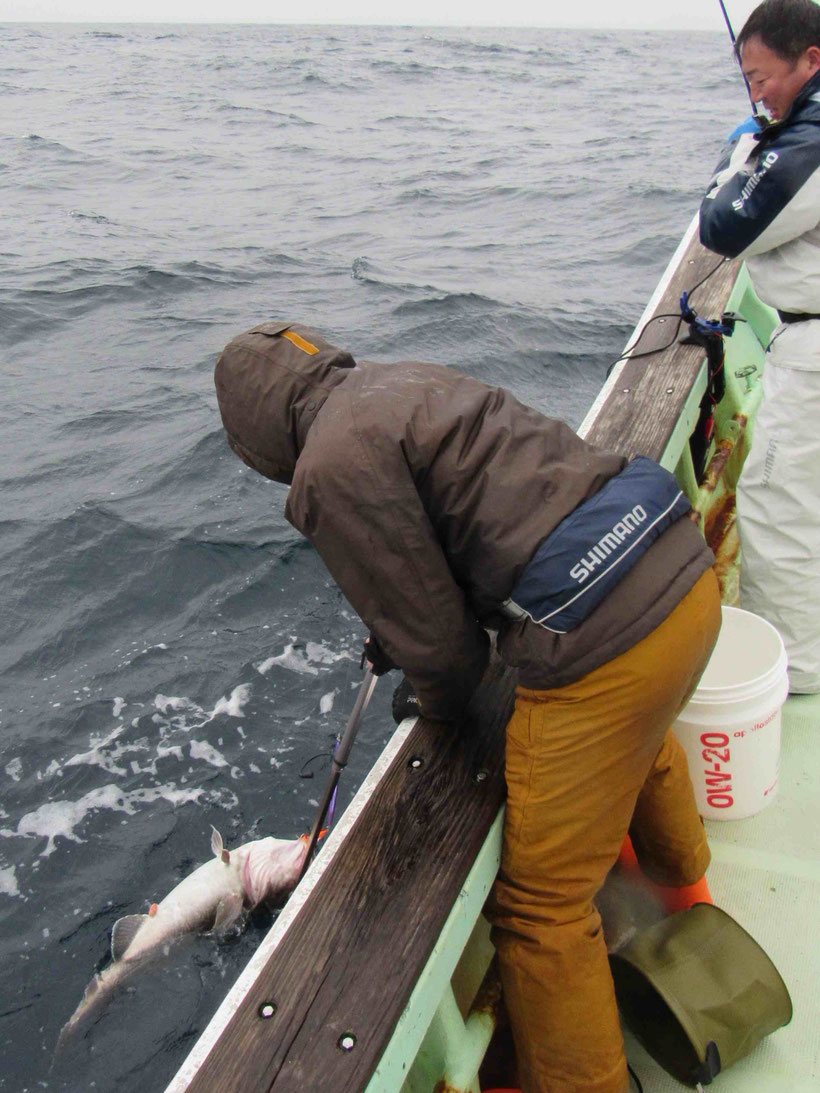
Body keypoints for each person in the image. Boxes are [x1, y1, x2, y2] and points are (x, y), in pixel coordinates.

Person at [214, 320, 721, 1093]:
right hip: (680, 569)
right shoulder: (400, 378)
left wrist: (429, 695)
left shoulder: (326, 466)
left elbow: (452, 663)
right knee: (637, 741)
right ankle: (692, 909)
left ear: (255, 437)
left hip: (607, 645)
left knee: (540, 911)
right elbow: (491, 518)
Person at [699, 0, 820, 693]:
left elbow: (724, 225)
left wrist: (741, 144)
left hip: (813, 350)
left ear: (811, 62)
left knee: (779, 503)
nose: (756, 94)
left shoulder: (805, 145)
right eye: (747, 82)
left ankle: (794, 674)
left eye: (761, 78)